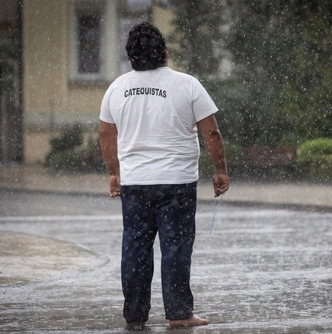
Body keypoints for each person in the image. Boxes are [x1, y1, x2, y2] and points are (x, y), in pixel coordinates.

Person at [99, 22, 229, 330]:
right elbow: (211, 131)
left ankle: (134, 316)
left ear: (131, 55)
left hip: (134, 183)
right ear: (165, 52)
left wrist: (114, 173)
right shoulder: (187, 85)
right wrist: (220, 170)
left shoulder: (117, 88)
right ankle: (179, 313)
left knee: (135, 250)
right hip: (177, 183)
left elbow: (106, 134)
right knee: (176, 248)